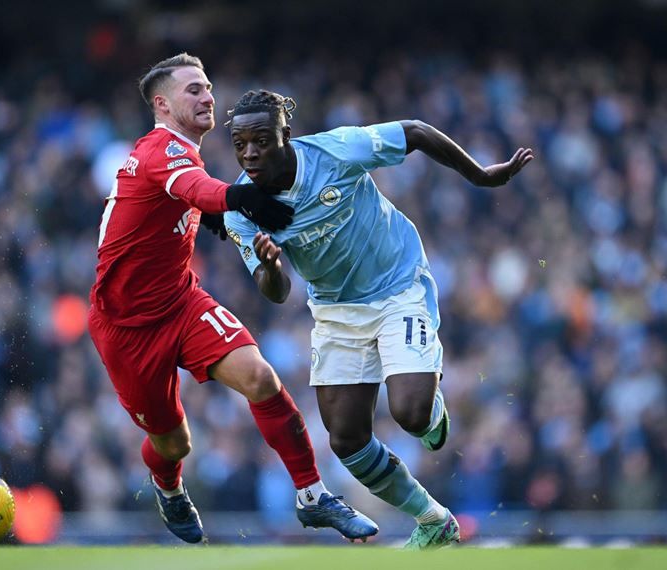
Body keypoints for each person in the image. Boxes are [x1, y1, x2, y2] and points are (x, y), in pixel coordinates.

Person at [223, 89, 534, 549]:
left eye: (262, 140)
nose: (250, 153)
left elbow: (416, 132)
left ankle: (432, 414)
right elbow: (278, 292)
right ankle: (434, 520)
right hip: (334, 310)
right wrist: (270, 267)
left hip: (396, 285)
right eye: (241, 143)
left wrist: (481, 176)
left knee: (409, 413)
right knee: (346, 441)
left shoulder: (334, 151)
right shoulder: (240, 206)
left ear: (285, 135)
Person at [87, 55, 378, 544]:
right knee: (173, 442)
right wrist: (240, 202)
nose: (207, 98)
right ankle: (169, 487)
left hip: (180, 303)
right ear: (162, 104)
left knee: (261, 377)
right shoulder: (161, 149)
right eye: (193, 91)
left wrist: (219, 219)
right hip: (127, 328)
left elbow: (183, 202)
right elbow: (197, 188)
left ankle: (313, 496)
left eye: (208, 88)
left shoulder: (180, 153)